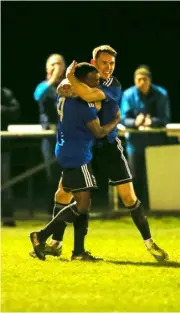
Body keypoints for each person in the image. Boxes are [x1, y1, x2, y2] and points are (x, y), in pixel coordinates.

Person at [31, 45, 169, 262]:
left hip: (109, 146)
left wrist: (71, 83)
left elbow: (84, 93)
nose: (108, 68)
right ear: (93, 63)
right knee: (65, 195)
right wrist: (70, 84)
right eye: (104, 63)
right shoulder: (85, 79)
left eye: (112, 63)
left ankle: (150, 243)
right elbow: (61, 89)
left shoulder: (113, 85)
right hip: (86, 148)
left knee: (128, 197)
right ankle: (57, 244)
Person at [29, 62, 120, 261]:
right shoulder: (82, 102)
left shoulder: (66, 93)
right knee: (83, 204)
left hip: (65, 149)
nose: (97, 83)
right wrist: (115, 121)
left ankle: (62, 245)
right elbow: (97, 132)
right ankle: (43, 236)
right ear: (81, 80)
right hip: (78, 154)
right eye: (93, 80)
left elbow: (67, 89)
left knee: (64, 193)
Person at [120, 65, 171, 208]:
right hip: (135, 144)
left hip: (155, 142)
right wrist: (135, 122)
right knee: (135, 176)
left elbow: (165, 118)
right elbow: (123, 118)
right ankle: (136, 207)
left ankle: (157, 206)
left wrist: (151, 121)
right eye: (138, 80)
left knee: (155, 176)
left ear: (150, 80)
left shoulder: (161, 94)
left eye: (144, 79)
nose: (141, 83)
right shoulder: (128, 94)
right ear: (135, 80)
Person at [33, 54, 66, 213]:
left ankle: (72, 212)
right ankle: (52, 211)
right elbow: (37, 96)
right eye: (53, 64)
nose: (56, 67)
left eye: (59, 64)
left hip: (69, 137)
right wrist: (53, 79)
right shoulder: (43, 86)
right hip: (50, 137)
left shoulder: (70, 85)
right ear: (47, 68)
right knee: (52, 175)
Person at [1, 87, 20, 226]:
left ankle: (7, 218)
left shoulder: (5, 94)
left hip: (2, 147)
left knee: (4, 184)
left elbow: (15, 112)